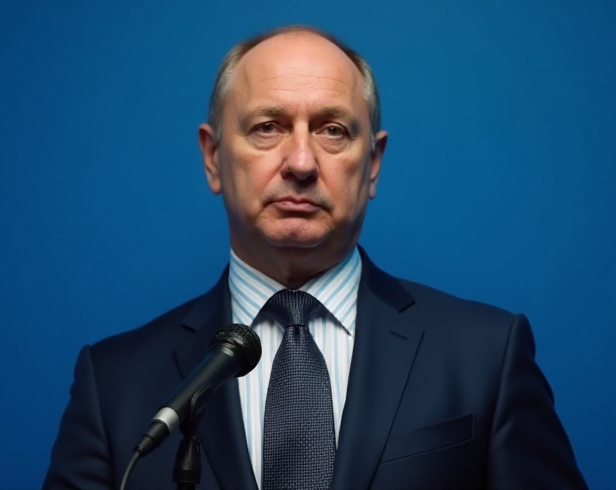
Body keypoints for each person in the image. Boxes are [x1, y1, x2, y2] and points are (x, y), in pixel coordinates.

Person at [43, 25, 587, 490]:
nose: (301, 161)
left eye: (332, 130)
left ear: (372, 163)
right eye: (267, 127)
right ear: (212, 158)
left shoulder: (485, 356)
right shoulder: (114, 385)